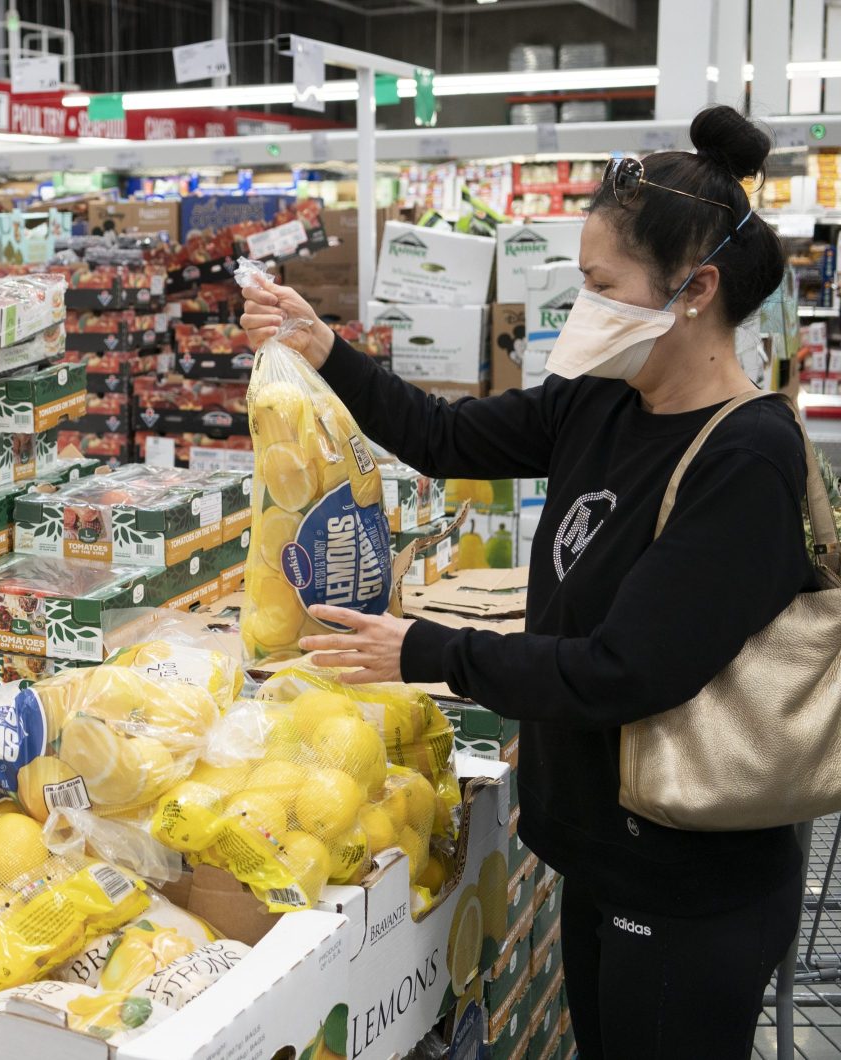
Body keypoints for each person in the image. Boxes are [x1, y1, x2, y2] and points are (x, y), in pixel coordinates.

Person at [241, 105, 810, 1059]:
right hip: (603, 851)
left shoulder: (746, 460)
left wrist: (428, 651)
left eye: (601, 284)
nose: (584, 305)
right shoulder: (604, 400)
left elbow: (624, 671)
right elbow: (444, 438)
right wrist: (322, 348)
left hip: (688, 882)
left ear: (696, 288)